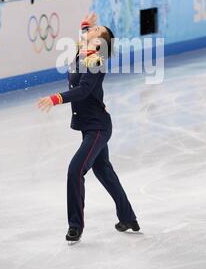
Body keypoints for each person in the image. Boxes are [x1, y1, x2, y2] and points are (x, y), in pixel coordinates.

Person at [38, 13, 139, 243]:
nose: (90, 30)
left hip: (97, 129)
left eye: (95, 30)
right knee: (104, 171)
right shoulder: (82, 52)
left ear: (98, 43)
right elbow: (85, 36)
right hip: (89, 126)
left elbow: (83, 90)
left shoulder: (95, 62)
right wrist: (86, 24)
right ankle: (128, 217)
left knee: (75, 170)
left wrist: (56, 98)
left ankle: (75, 226)